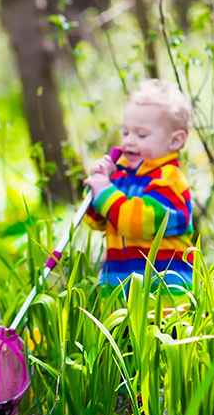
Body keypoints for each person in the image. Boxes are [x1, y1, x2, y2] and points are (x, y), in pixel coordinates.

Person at [83, 79, 194, 294]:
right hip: (120, 291)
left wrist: (105, 192)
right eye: (125, 133)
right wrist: (95, 189)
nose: (129, 142)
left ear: (175, 141)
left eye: (141, 135)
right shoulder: (122, 175)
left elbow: (138, 223)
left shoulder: (170, 181)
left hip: (165, 296)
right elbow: (95, 221)